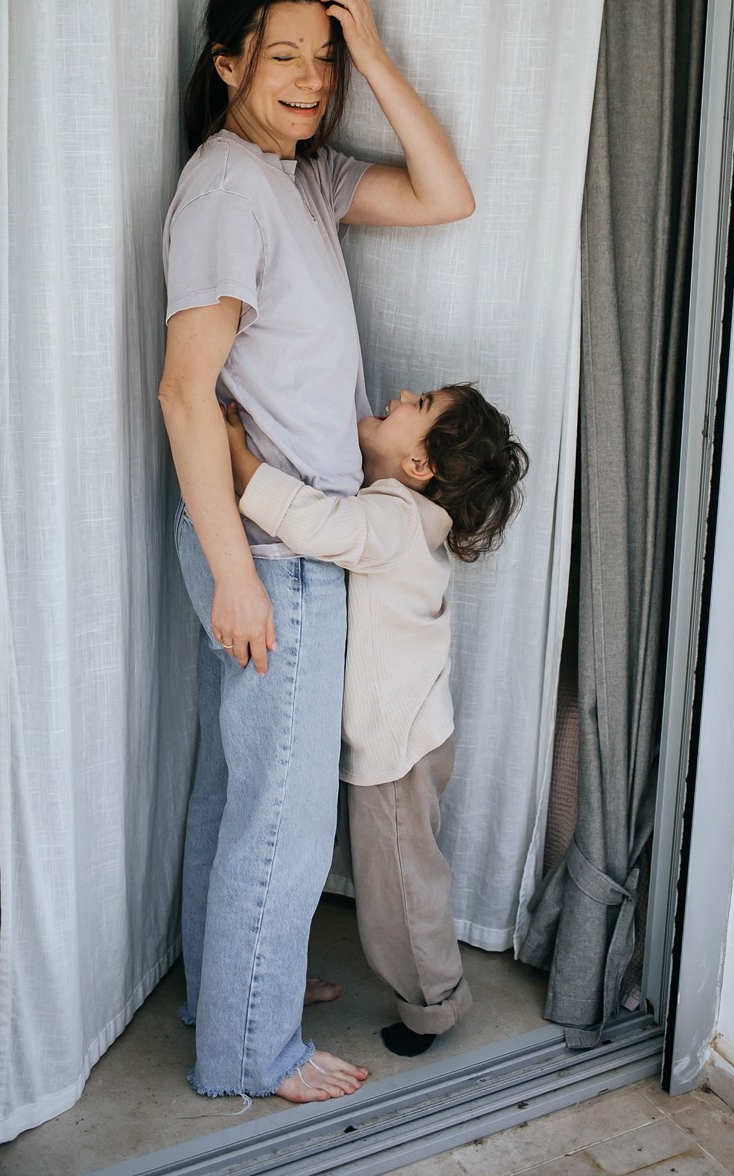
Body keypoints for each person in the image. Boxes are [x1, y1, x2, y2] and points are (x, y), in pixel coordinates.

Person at [158, 0, 474, 1104]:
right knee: (283, 817)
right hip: (271, 555)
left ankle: (229, 990)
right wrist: (237, 575)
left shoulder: (300, 177)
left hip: (276, 545)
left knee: (238, 791)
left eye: (324, 59)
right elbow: (183, 394)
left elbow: (445, 195)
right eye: (282, 56)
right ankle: (252, 1050)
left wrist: (373, 52)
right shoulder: (227, 188)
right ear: (227, 64)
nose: (310, 79)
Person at [224, 382, 528, 1056]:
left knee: (400, 893)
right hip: (413, 737)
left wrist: (240, 460)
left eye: (420, 404)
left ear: (419, 465)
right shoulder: (407, 516)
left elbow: (314, 523)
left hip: (398, 753)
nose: (402, 393)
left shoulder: (394, 518)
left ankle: (433, 1006)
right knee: (403, 877)